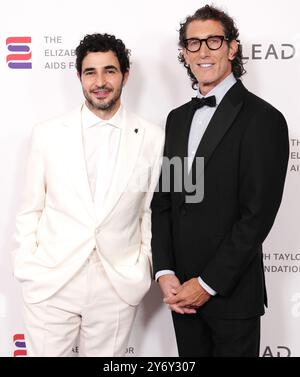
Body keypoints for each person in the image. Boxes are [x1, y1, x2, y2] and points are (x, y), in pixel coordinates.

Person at [12, 33, 164, 357]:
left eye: (109, 70)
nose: (100, 82)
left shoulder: (153, 138)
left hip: (116, 282)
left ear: (126, 74)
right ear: (79, 77)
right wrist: (28, 267)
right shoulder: (47, 134)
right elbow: (29, 210)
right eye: (90, 72)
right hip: (52, 280)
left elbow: (150, 210)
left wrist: (142, 265)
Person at [151, 5, 289, 357]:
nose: (203, 51)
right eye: (193, 43)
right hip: (181, 294)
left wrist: (208, 284)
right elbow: (166, 201)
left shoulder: (263, 119)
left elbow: (256, 217)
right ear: (184, 53)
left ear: (232, 48)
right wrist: (165, 271)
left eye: (214, 40)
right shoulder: (178, 119)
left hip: (231, 295)